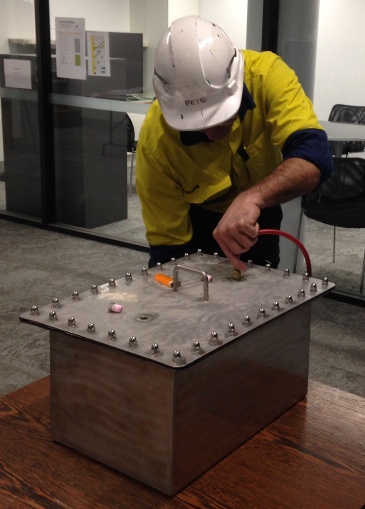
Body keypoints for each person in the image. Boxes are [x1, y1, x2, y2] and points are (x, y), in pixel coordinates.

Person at [136, 15, 333, 270]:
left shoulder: (268, 76)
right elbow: (167, 250)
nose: (212, 135)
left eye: (221, 118)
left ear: (237, 83)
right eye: (198, 127)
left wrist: (253, 198)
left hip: (261, 214)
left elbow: (315, 157)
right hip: (198, 225)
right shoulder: (157, 140)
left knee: (262, 293)